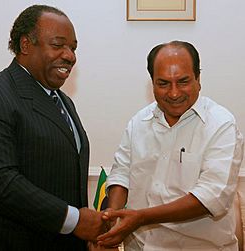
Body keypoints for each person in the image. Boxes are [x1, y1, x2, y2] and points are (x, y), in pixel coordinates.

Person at [0, 5, 106, 251]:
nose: (70, 55)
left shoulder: (63, 101)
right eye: (58, 45)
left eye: (73, 47)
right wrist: (74, 221)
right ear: (25, 45)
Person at [97, 41, 244, 250]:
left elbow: (212, 197)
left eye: (183, 81)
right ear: (152, 83)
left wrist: (140, 218)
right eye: (163, 83)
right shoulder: (139, 122)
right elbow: (121, 174)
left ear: (198, 80)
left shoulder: (221, 125)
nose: (174, 93)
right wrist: (112, 218)